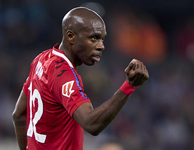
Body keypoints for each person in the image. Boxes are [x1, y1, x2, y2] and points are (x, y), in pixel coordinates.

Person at [12, 7, 149, 150]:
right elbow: (91, 124)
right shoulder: (63, 75)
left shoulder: (41, 59)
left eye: (102, 39)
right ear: (71, 36)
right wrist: (129, 86)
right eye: (94, 38)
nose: (101, 46)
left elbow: (19, 114)